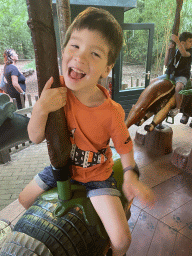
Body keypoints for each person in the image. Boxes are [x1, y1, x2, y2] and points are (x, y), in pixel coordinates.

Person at [18, 7, 154, 256]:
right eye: (75, 46)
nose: (80, 58)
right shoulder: (55, 90)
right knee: (24, 200)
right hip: (61, 169)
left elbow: (124, 147)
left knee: (122, 239)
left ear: (107, 68)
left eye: (95, 53)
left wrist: (131, 175)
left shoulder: (111, 111)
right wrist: (41, 108)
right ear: (63, 50)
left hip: (95, 176)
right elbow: (35, 136)